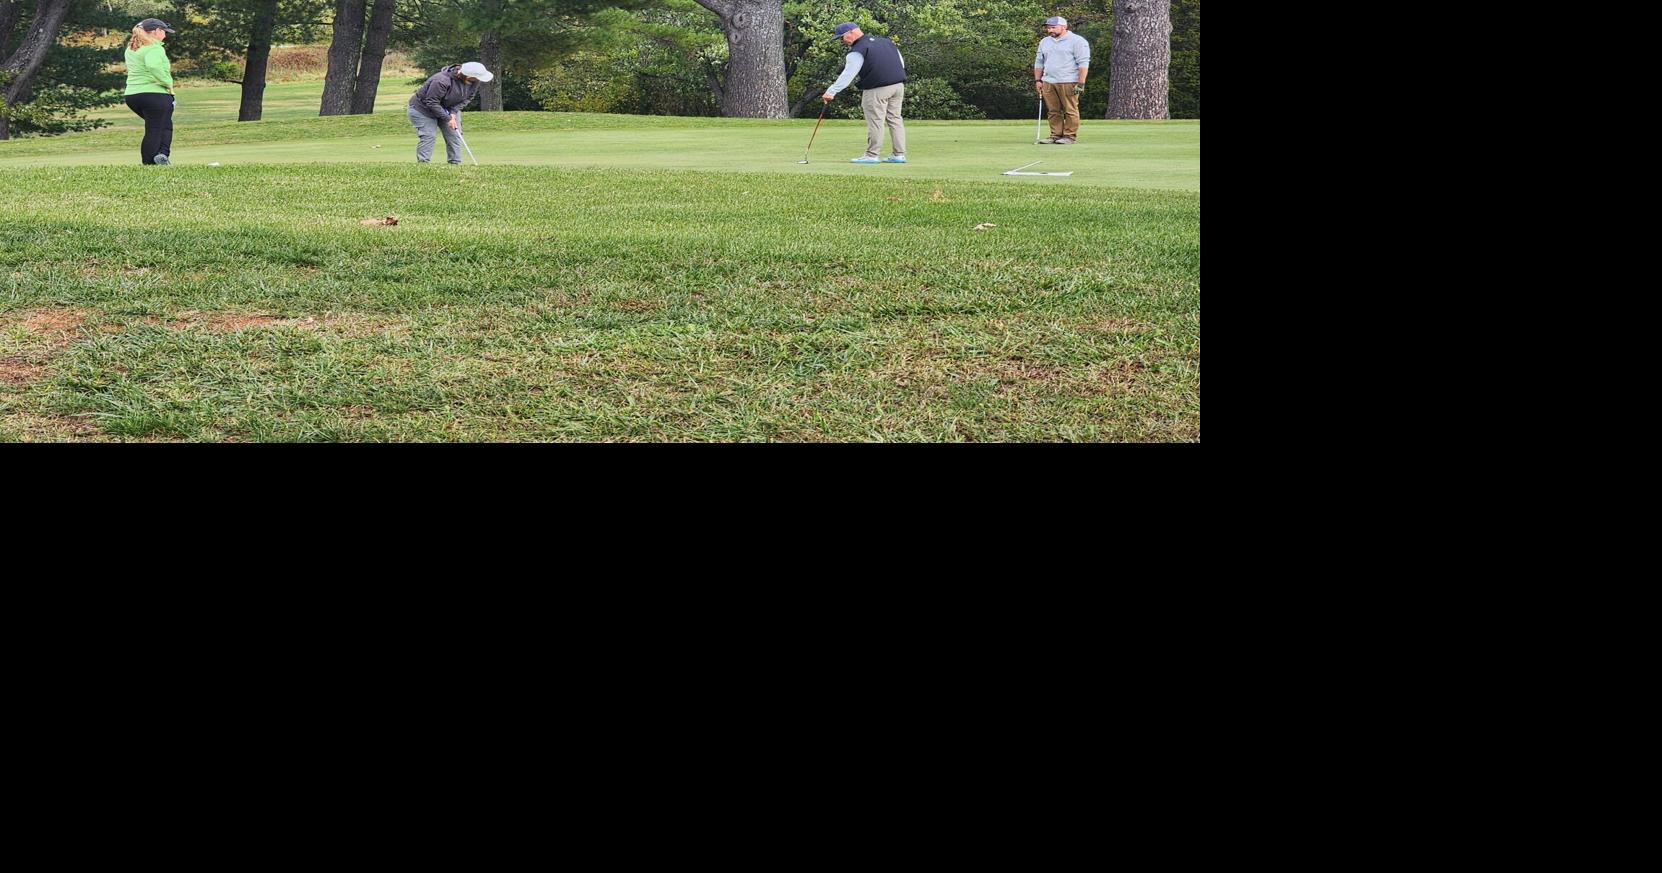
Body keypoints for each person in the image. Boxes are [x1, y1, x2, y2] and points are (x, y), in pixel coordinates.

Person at [821, 23, 907, 164]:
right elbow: (901, 63)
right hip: (898, 86)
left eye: (842, 38)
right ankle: (899, 155)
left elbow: (848, 74)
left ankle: (871, 155)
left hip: (876, 89)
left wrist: (831, 91)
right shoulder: (887, 42)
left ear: (851, 32)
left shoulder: (858, 50)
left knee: (876, 121)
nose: (842, 42)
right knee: (895, 119)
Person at [407, 62, 494, 164]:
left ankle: (455, 164)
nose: (478, 80)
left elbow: (468, 98)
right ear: (468, 76)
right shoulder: (441, 80)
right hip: (422, 110)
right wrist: (448, 118)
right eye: (476, 78)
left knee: (454, 136)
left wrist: (453, 113)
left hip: (448, 109)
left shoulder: (474, 81)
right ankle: (423, 165)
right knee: (428, 136)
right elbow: (431, 102)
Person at [124, 18, 177, 165]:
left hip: (132, 95)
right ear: (155, 31)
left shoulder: (131, 48)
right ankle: (149, 163)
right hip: (154, 94)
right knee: (154, 128)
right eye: (164, 32)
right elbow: (153, 66)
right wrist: (168, 82)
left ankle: (162, 155)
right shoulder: (154, 47)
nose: (165, 35)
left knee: (164, 124)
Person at [1034, 15, 1090, 144]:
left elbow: (1083, 63)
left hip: (1069, 81)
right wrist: (1038, 80)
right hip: (1048, 81)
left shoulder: (1077, 41)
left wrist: (1081, 83)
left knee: (1070, 110)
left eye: (1053, 27)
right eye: (1048, 28)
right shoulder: (1044, 42)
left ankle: (1069, 136)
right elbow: (1039, 62)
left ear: (1064, 27)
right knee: (1053, 111)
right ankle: (1055, 135)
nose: (1050, 30)